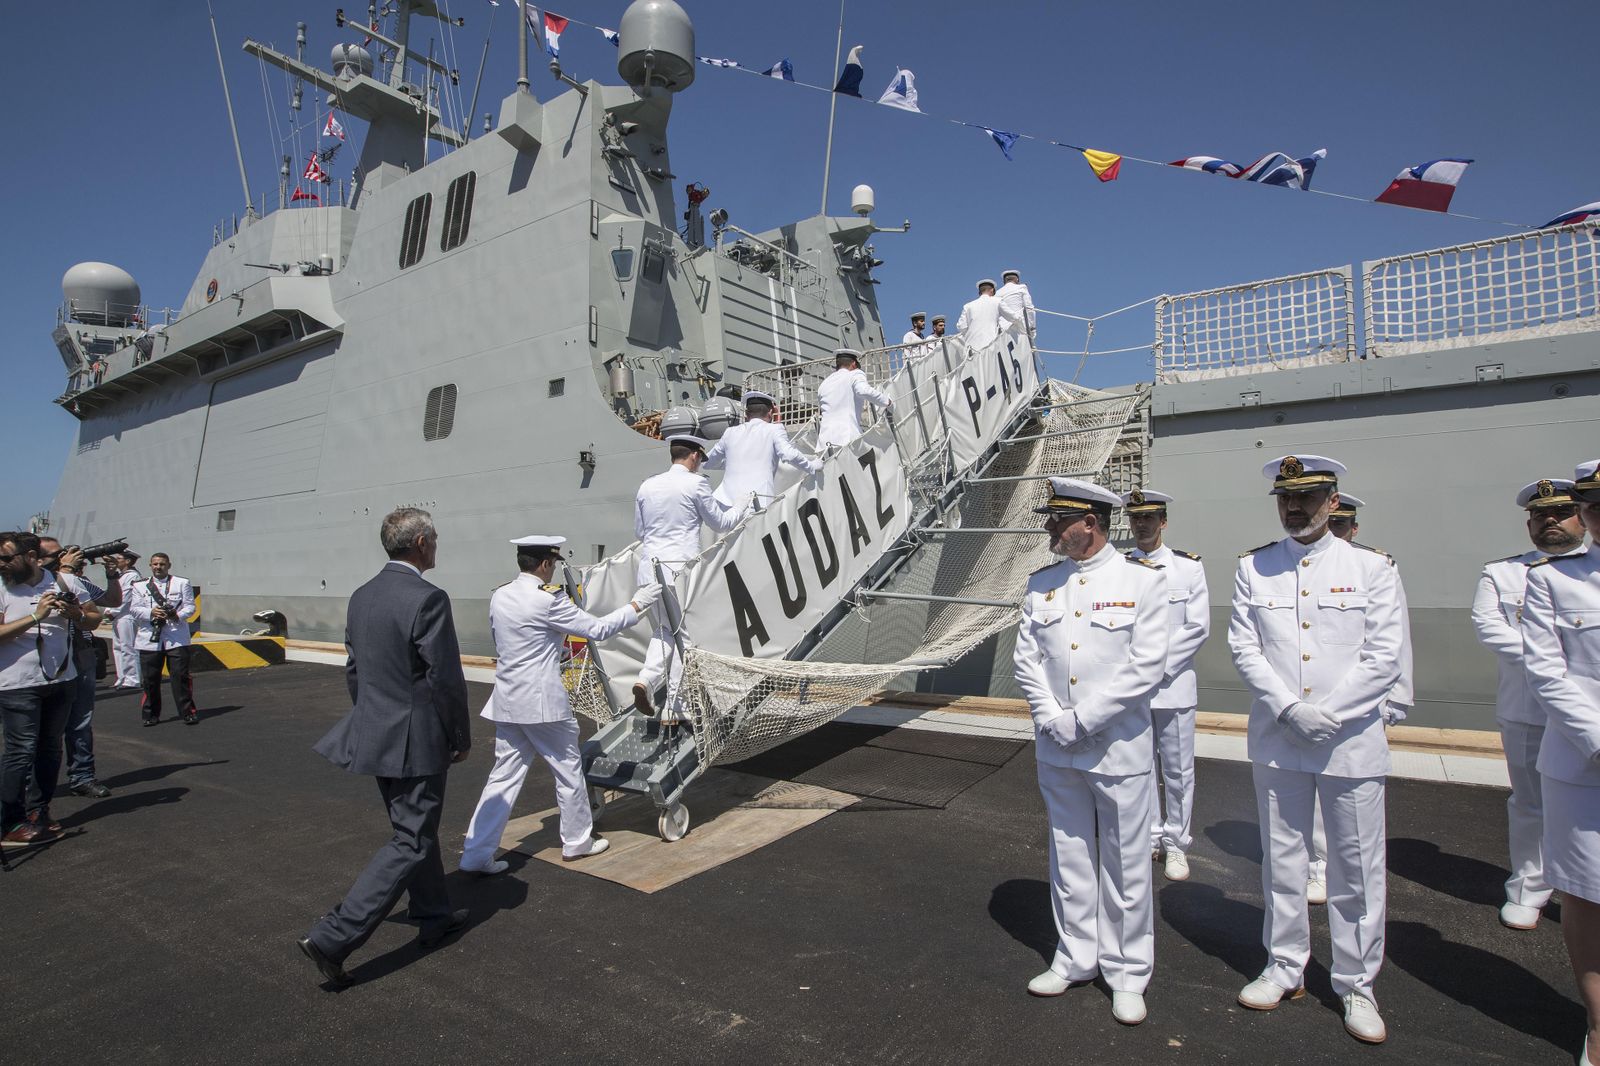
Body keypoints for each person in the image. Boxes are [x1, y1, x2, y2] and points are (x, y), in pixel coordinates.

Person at [1228, 455, 1402, 1045]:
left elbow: (1384, 656)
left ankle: (1356, 983)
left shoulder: (1373, 568)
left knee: (1356, 869)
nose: (1295, 508)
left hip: (1350, 743)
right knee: (1284, 863)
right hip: (1280, 738)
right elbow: (1246, 648)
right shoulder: (1255, 568)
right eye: (1286, 499)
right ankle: (1284, 966)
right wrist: (1290, 709)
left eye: (1309, 498)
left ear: (1333, 502)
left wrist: (1330, 714)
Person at [1014, 477, 1168, 1026]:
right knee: (1069, 855)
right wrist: (1053, 719)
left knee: (1126, 862)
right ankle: (1075, 955)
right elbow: (1027, 661)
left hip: (1117, 748)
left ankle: (1127, 973)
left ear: (1092, 523)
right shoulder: (1042, 585)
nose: (1050, 528)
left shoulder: (1141, 582)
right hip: (1057, 746)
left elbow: (1146, 667)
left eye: (1059, 520)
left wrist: (1081, 720)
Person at [299, 507, 473, 987]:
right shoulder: (428, 598)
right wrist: (459, 738)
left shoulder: (362, 596)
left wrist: (372, 720)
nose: (436, 544)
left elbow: (354, 670)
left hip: (376, 731)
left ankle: (434, 915)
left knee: (414, 828)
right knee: (410, 839)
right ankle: (333, 937)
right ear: (420, 544)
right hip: (417, 739)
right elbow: (445, 679)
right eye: (433, 538)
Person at [459, 536, 661, 873]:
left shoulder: (500, 595)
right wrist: (637, 605)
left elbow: (501, 641)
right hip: (542, 704)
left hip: (508, 701)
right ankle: (578, 841)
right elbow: (597, 629)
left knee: (502, 778)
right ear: (545, 564)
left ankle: (476, 854)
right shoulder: (548, 601)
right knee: (567, 771)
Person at [1474, 478, 1588, 932]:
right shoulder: (1503, 574)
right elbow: (1490, 628)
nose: (1551, 520)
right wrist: (1553, 659)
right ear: (1529, 523)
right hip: (1528, 710)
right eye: (1541, 515)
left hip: (1591, 711)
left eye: (1561, 512)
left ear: (1582, 516)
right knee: (1529, 803)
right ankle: (1528, 887)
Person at [1522, 458, 1600, 1066]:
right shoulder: (1555, 580)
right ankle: (1598, 1027)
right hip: (1583, 761)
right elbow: (1547, 670)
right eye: (1595, 506)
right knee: (1586, 894)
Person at [1306, 492, 1414, 907]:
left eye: (1342, 526)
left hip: (1360, 707)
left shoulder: (1375, 566)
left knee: (1353, 805)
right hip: (1308, 707)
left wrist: (1397, 697)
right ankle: (1319, 864)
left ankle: (1345, 868)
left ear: (1352, 527)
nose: (1336, 533)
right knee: (1313, 795)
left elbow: (1394, 640)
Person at [1122, 489, 1210, 882]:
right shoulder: (1122, 569)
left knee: (1177, 771)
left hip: (1172, 686)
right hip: (1134, 690)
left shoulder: (1188, 569)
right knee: (1140, 768)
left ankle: (1177, 843)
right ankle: (1151, 837)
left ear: (1163, 522)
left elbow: (1197, 627)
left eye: (1149, 518)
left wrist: (1157, 668)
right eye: (1136, 518)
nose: (1142, 524)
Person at [632, 435, 748, 717]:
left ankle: (646, 680)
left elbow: (640, 531)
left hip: (649, 569)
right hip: (679, 571)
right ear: (695, 456)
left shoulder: (647, 486)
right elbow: (720, 523)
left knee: (663, 629)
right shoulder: (696, 483)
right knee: (684, 635)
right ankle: (675, 707)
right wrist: (742, 505)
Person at [0, 531, 97, 847]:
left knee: (50, 749)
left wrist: (75, 614)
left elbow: (93, 619)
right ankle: (9, 820)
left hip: (61, 681)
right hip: (16, 685)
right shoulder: (2, 588)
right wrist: (35, 616)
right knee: (20, 751)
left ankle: (38, 813)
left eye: (6, 558)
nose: (1, 565)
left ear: (29, 557)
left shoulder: (66, 582)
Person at [37, 539, 118, 799]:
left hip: (79, 655)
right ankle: (30, 785)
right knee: (37, 729)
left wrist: (112, 574)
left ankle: (82, 776)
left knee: (80, 722)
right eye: (58, 554)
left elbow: (111, 601)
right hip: (42, 660)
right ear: (35, 558)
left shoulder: (73, 582)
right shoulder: (24, 584)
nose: (67, 556)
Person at [703, 390, 822, 508]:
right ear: (770, 412)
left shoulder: (730, 432)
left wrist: (732, 462)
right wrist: (811, 466)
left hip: (725, 504)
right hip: (756, 504)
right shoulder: (774, 430)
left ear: (746, 414)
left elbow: (708, 462)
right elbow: (789, 454)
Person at [128, 552, 198, 726]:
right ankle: (150, 714)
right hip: (149, 637)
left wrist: (177, 615)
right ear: (150, 566)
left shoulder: (182, 583)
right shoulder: (139, 586)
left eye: (162, 564)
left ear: (169, 565)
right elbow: (134, 609)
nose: (158, 567)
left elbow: (190, 606)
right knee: (150, 679)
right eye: (155, 564)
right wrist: (151, 612)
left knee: (180, 676)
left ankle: (187, 712)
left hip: (176, 636)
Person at [815, 348, 892, 450]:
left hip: (824, 445)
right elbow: (863, 390)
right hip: (847, 440)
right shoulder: (855, 374)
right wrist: (887, 402)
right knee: (875, 458)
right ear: (854, 364)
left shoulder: (824, 384)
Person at [107, 551, 143, 688]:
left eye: (119, 559)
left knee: (128, 648)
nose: (116, 561)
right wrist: (109, 610)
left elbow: (126, 596)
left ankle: (132, 679)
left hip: (127, 616)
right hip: (118, 616)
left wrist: (113, 611)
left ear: (127, 561)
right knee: (117, 648)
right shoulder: (121, 576)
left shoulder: (132, 576)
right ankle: (122, 677)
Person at [955, 278, 1019, 351]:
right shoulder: (997, 301)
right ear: (992, 290)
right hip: (990, 347)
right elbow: (1013, 317)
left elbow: (961, 327)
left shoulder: (968, 306)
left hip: (971, 349)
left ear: (980, 292)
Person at [997, 269, 1038, 342]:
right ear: (1017, 279)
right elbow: (1029, 308)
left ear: (1004, 281)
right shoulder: (1021, 288)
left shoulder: (997, 293)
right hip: (1020, 328)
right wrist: (1032, 328)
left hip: (1003, 330)